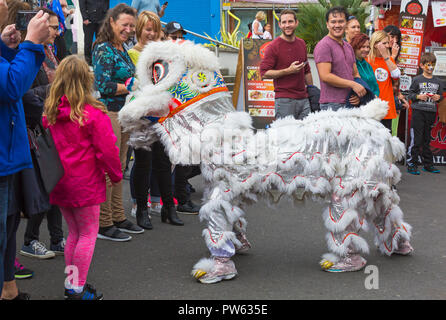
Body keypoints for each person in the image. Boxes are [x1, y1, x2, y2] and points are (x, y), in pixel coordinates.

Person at [43, 55, 122, 300]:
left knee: (74, 235)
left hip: (60, 182)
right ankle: (76, 288)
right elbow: (108, 149)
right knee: (87, 234)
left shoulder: (50, 114)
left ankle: (73, 283)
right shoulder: (93, 115)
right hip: (85, 183)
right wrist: (116, 174)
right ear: (87, 81)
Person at [0, 4, 50, 298]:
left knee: (7, 229)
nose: (5, 5)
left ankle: (9, 290)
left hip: (8, 156)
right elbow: (10, 86)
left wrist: (6, 49)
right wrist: (30, 44)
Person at [92, 3, 143, 241]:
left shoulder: (121, 48)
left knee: (120, 167)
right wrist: (131, 87)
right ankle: (103, 223)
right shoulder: (103, 48)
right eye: (125, 25)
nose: (129, 29)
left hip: (125, 113)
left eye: (132, 26)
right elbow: (104, 86)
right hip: (110, 113)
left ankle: (118, 216)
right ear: (112, 22)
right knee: (108, 169)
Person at [19, 7, 66, 260]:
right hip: (34, 130)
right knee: (41, 187)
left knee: (55, 183)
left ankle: (57, 238)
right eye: (53, 27)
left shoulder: (50, 51)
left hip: (52, 125)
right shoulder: (26, 53)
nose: (58, 32)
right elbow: (24, 95)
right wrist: (57, 88)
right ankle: (30, 240)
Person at [260, 9, 313, 120]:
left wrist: (312, 90)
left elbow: (307, 70)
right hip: (284, 100)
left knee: (306, 136)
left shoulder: (302, 43)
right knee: (285, 136)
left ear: (296, 23)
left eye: (290, 21)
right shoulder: (273, 46)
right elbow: (264, 73)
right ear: (279, 25)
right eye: (284, 22)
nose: (287, 25)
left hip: (304, 99)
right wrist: (288, 71)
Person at [313, 6, 365, 111]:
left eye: (341, 21)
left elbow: (355, 74)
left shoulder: (348, 46)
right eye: (333, 22)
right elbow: (325, 76)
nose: (337, 25)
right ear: (327, 24)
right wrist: (352, 84)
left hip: (350, 102)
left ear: (346, 24)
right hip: (332, 104)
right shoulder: (324, 45)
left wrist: (357, 94)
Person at [406, 52, 444, 175]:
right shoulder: (417, 79)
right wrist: (418, 96)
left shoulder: (438, 81)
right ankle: (412, 163)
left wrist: (438, 98)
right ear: (422, 65)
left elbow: (441, 97)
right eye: (428, 64)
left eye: (433, 64)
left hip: (431, 113)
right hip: (418, 112)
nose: (431, 67)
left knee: (427, 140)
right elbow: (410, 94)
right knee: (416, 140)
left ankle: (428, 164)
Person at [366, 30, 401, 130]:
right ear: (376, 44)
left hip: (386, 107)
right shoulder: (366, 60)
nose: (387, 46)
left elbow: (396, 75)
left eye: (387, 43)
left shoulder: (389, 60)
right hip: (371, 107)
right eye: (384, 43)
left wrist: (386, 56)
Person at [78, 0, 109, 65]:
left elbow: (106, 2)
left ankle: (100, 59)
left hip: (102, 18)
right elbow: (82, 4)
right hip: (89, 20)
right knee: (88, 41)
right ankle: (88, 61)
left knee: (101, 41)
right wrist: (85, 18)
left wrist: (106, 16)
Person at [350, 33, 380, 97]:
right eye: (363, 47)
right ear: (355, 47)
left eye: (368, 47)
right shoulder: (350, 64)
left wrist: (375, 97)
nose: (366, 50)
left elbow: (375, 87)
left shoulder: (368, 66)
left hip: (372, 102)